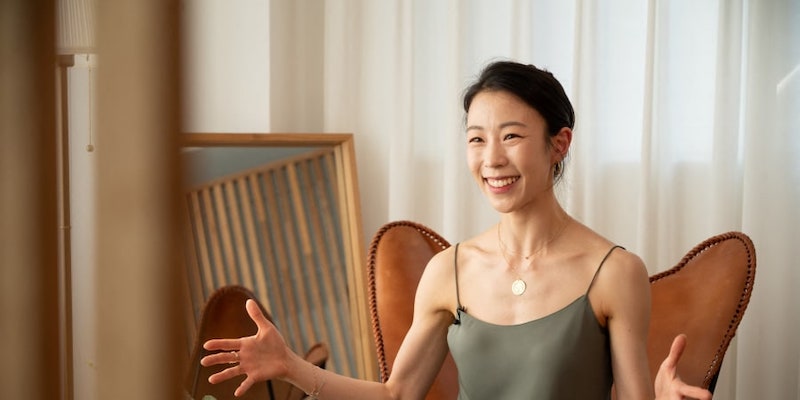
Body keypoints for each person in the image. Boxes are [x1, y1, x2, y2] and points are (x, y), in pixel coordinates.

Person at [201, 60, 713, 400]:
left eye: (511, 136)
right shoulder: (448, 271)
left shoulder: (615, 273)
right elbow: (397, 394)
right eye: (476, 139)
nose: (492, 159)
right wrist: (290, 365)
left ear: (559, 144)